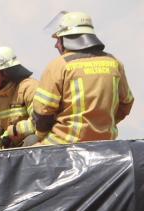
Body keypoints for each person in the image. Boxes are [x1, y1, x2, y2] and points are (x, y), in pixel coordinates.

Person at [33, 11, 134, 145]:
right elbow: (126, 103)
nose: (56, 45)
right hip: (106, 144)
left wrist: (40, 136)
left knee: (28, 143)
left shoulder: (59, 66)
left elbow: (42, 113)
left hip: (62, 144)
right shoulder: (114, 63)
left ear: (67, 39)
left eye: (58, 39)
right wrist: (100, 124)